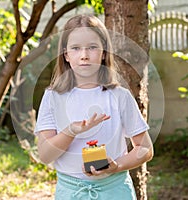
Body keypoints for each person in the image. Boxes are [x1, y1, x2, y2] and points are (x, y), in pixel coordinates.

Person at [34, 14, 153, 200]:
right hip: (70, 193)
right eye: (75, 48)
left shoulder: (120, 96)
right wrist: (71, 131)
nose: (84, 56)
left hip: (115, 191)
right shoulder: (53, 97)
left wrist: (117, 166)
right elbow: (46, 155)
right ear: (66, 54)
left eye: (92, 47)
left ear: (104, 52)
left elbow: (145, 149)